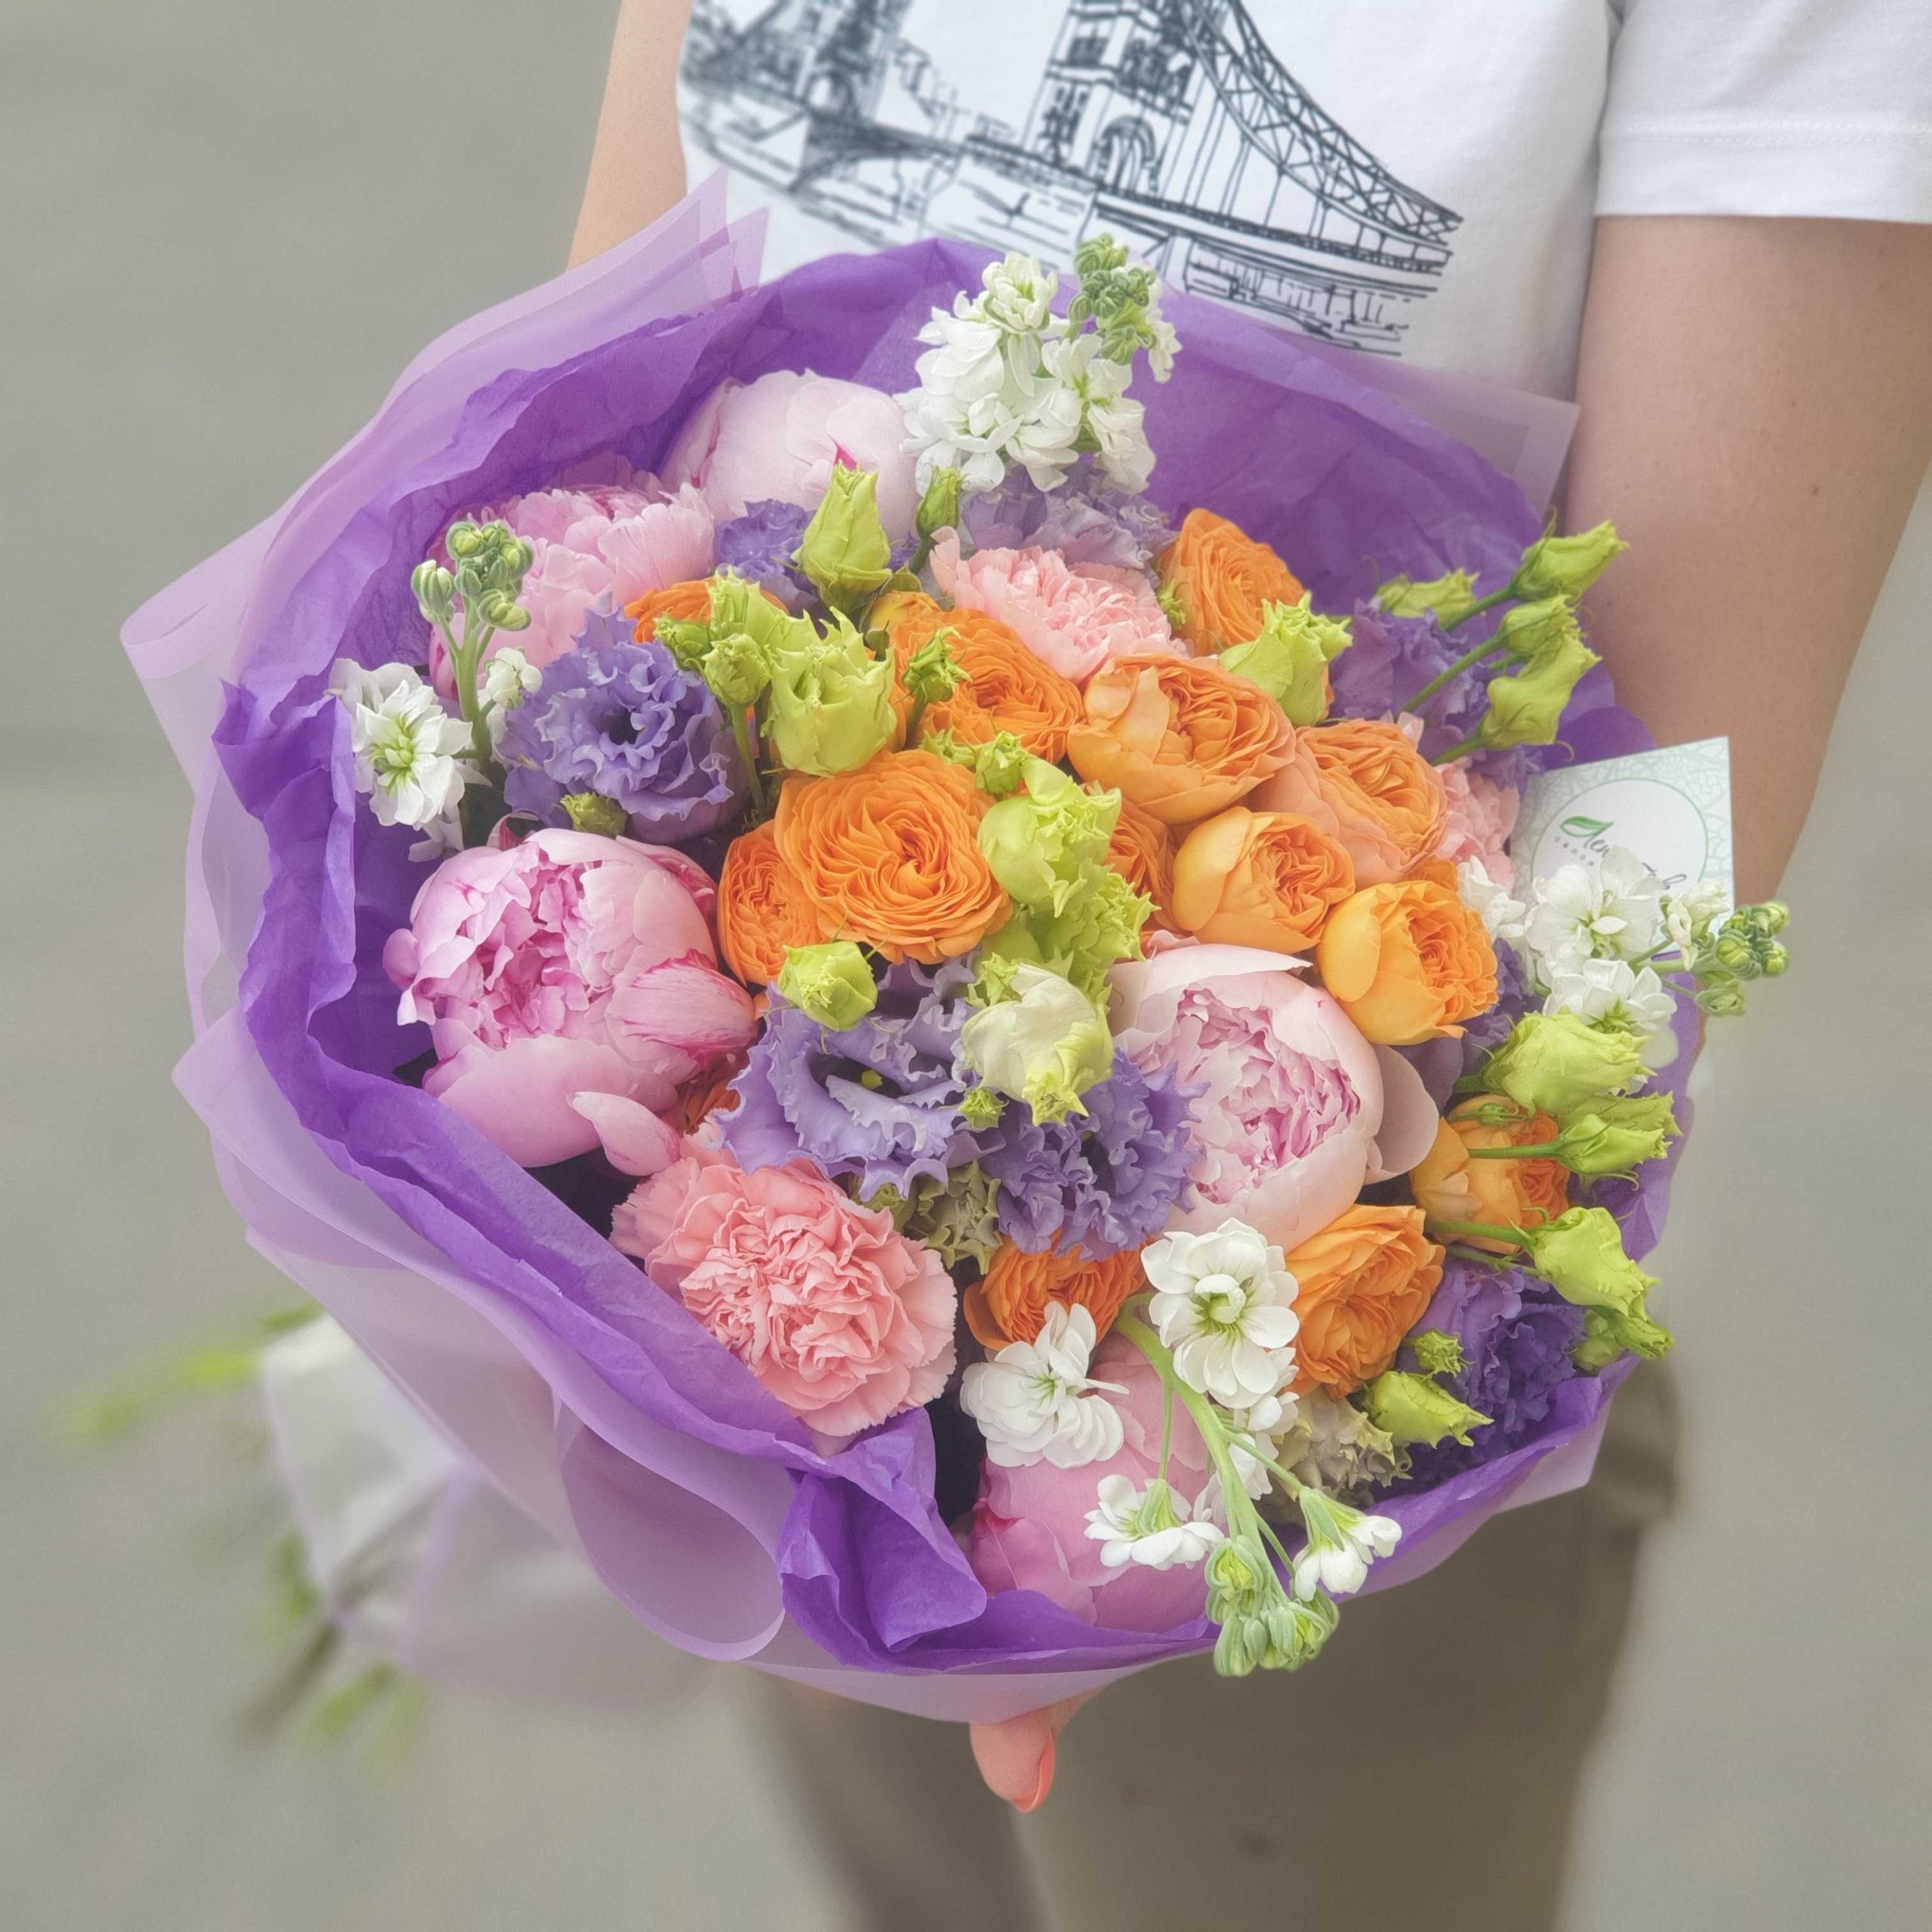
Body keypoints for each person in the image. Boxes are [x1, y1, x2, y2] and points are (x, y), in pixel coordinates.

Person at [570, 5, 1932, 1924]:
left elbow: (1648, 847)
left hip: (1269, 1429)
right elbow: (602, 379)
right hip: (747, 1219)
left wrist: (1102, 1488)